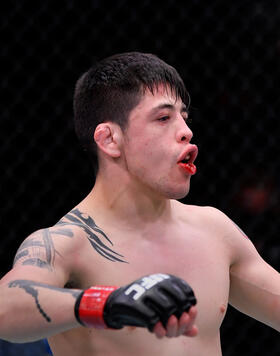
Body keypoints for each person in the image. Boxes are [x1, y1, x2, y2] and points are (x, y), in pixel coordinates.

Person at [0, 52, 279, 356]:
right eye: (163, 118)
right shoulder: (68, 243)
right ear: (109, 140)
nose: (186, 131)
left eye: (184, 118)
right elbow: (5, 309)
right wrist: (105, 303)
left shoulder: (214, 230)